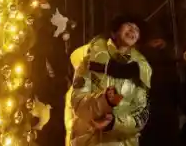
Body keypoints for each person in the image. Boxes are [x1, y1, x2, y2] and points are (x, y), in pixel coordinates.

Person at [64, 15, 152, 146]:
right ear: (115, 30)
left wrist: (113, 124)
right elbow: (77, 103)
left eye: (137, 29)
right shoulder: (91, 59)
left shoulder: (140, 70)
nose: (133, 30)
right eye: (129, 25)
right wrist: (104, 101)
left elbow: (140, 117)